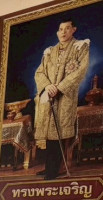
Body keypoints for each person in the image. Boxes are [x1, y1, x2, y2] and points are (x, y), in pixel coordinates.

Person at [34, 18, 90, 180]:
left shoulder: (80, 47)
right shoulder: (50, 51)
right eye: (60, 29)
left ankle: (54, 169)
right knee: (49, 133)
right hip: (49, 95)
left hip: (65, 96)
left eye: (67, 28)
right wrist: (47, 86)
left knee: (60, 131)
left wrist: (59, 87)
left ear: (74, 29)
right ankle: (49, 166)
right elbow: (39, 72)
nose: (63, 32)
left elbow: (80, 71)